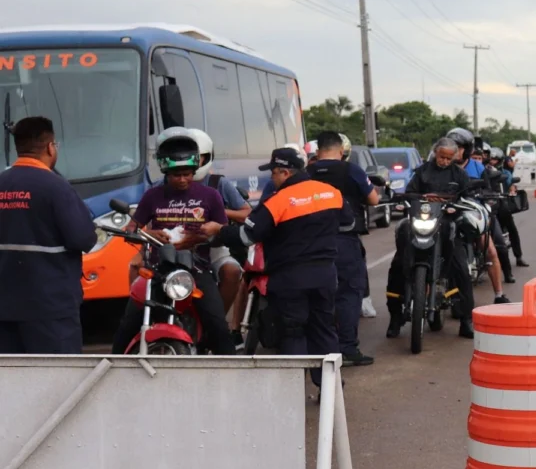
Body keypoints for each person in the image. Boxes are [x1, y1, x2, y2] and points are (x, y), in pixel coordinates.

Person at [201, 147, 353, 389]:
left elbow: (246, 235)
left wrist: (218, 230)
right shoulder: (329, 193)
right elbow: (348, 221)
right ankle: (331, 391)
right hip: (325, 274)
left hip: (290, 277)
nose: (271, 178)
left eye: (273, 173)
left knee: (292, 332)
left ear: (284, 171)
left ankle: (293, 393)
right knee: (324, 329)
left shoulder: (278, 201)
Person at [112, 130, 236, 355]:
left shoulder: (210, 196)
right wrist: (152, 233)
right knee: (128, 323)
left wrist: (205, 235)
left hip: (196, 269)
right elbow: (133, 228)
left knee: (218, 325)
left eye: (188, 174)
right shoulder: (152, 196)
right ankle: (112, 368)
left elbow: (223, 231)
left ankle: (229, 373)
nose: (182, 179)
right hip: (157, 269)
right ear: (165, 171)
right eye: (176, 174)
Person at [0, 116, 97, 354]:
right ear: (50, 147)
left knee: (10, 380)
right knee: (59, 380)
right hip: (50, 308)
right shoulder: (56, 187)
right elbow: (84, 239)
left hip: (4, 306)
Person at [385, 138, 477, 339]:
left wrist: (453, 202)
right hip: (420, 223)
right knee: (397, 266)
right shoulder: (422, 171)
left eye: (448, 158)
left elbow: (467, 196)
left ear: (454, 157)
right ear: (435, 152)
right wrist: (416, 198)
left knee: (461, 269)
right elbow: (409, 193)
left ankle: (467, 321)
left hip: (447, 225)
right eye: (441, 156)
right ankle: (395, 318)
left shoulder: (459, 175)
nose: (444, 160)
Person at [308, 131, 378, 367]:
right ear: (341, 151)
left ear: (318, 151)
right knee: (349, 292)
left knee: (318, 293)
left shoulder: (306, 173)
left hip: (311, 242)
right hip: (345, 239)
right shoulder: (352, 171)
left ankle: (319, 348)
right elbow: (374, 200)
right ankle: (347, 348)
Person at [448, 128, 515, 292]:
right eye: (452, 146)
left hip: (474, 213)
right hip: (448, 213)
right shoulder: (442, 165)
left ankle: (499, 293)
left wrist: (489, 196)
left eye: (459, 147)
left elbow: (489, 187)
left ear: (467, 149)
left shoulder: (478, 167)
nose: (455, 150)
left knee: (493, 248)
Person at [489, 148, 530, 268]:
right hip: (487, 205)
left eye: (495, 159)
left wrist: (512, 188)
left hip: (501, 204)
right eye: (491, 159)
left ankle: (519, 257)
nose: (492, 161)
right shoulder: (484, 170)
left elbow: (511, 183)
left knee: (512, 229)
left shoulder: (505, 173)